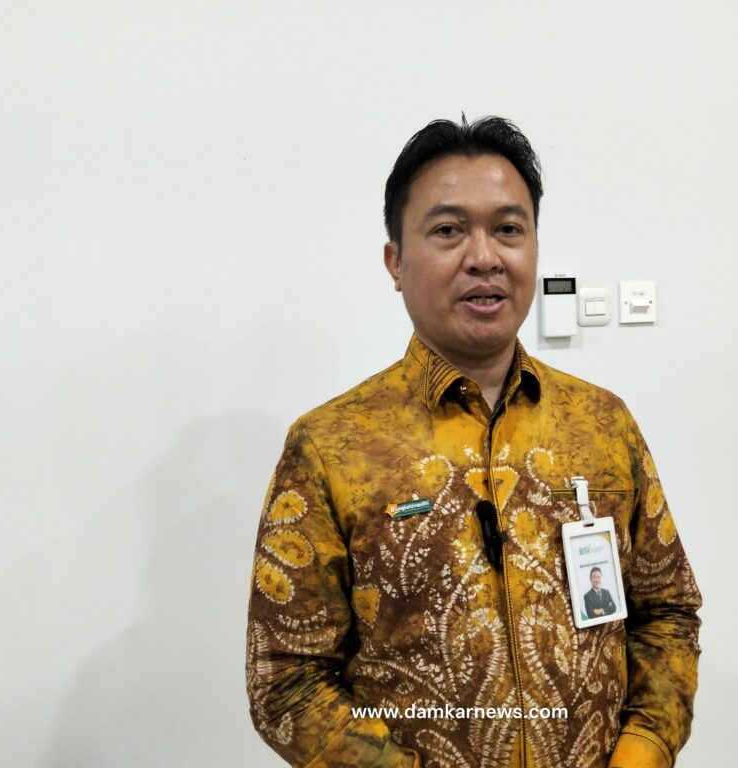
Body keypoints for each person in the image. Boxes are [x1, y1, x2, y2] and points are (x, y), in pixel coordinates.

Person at [246, 116, 702, 768]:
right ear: (395, 261)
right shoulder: (330, 446)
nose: (484, 257)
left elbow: (668, 613)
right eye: (448, 230)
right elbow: (286, 679)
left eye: (508, 229)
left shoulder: (603, 424)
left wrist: (641, 753)